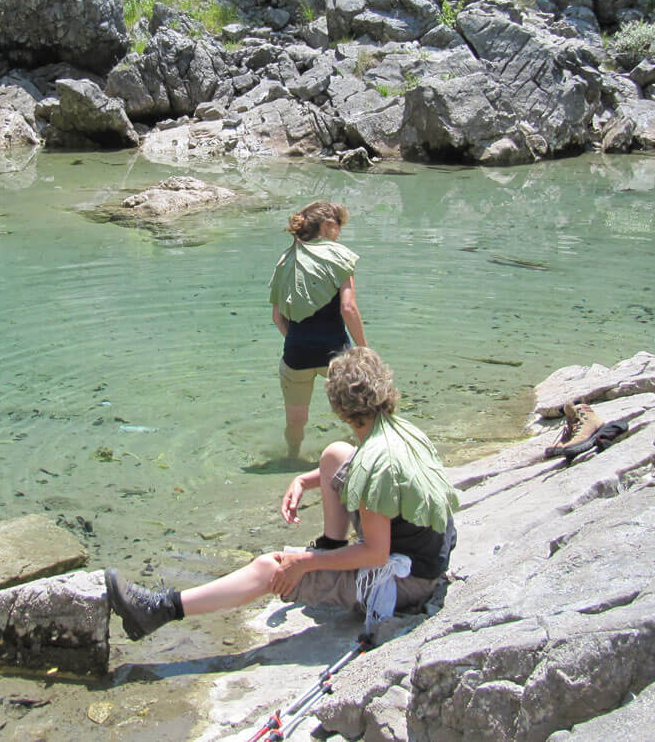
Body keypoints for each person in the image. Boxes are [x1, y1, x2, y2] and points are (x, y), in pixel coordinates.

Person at [105, 348, 459, 640]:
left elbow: (376, 554)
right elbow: (364, 481)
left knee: (269, 568)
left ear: (340, 409)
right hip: (426, 553)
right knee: (334, 455)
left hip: (406, 583)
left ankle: (158, 610)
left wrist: (304, 563)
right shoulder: (397, 430)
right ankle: (330, 551)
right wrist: (309, 479)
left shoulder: (373, 468)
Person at [268, 200, 366, 459]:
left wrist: (300, 340)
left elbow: (277, 317)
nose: (340, 232)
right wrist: (364, 351)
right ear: (326, 225)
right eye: (339, 226)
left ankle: (292, 457)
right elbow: (348, 309)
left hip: (296, 353)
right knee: (359, 413)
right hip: (335, 351)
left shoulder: (285, 260)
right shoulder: (339, 255)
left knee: (295, 420)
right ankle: (360, 458)